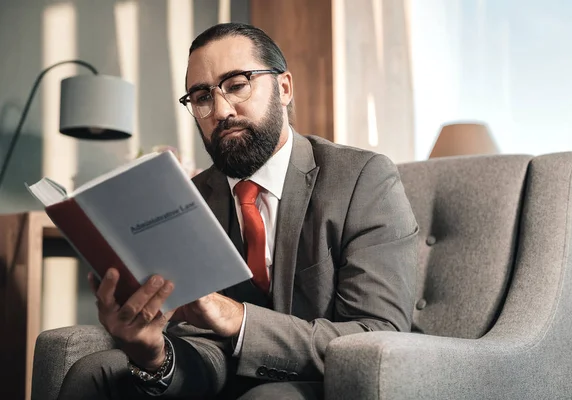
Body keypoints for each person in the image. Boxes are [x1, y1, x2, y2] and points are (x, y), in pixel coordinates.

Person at [58, 22, 418, 400]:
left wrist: (237, 317)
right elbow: (205, 348)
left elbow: (379, 336)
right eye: (201, 96)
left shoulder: (363, 179)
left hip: (331, 381)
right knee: (92, 373)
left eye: (237, 84)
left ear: (283, 88)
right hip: (224, 375)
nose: (221, 110)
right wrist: (154, 355)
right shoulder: (190, 197)